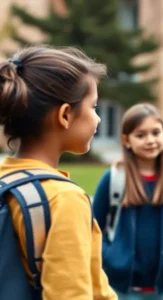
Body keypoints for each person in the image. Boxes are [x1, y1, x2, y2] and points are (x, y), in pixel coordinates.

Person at [0, 46, 117, 300]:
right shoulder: (64, 199)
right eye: (93, 107)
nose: (97, 119)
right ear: (65, 115)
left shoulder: (3, 178)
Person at [92, 103, 163, 300]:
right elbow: (92, 227)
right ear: (126, 140)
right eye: (141, 135)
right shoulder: (113, 179)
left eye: (156, 132)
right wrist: (111, 258)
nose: (150, 140)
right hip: (120, 287)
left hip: (161, 288)